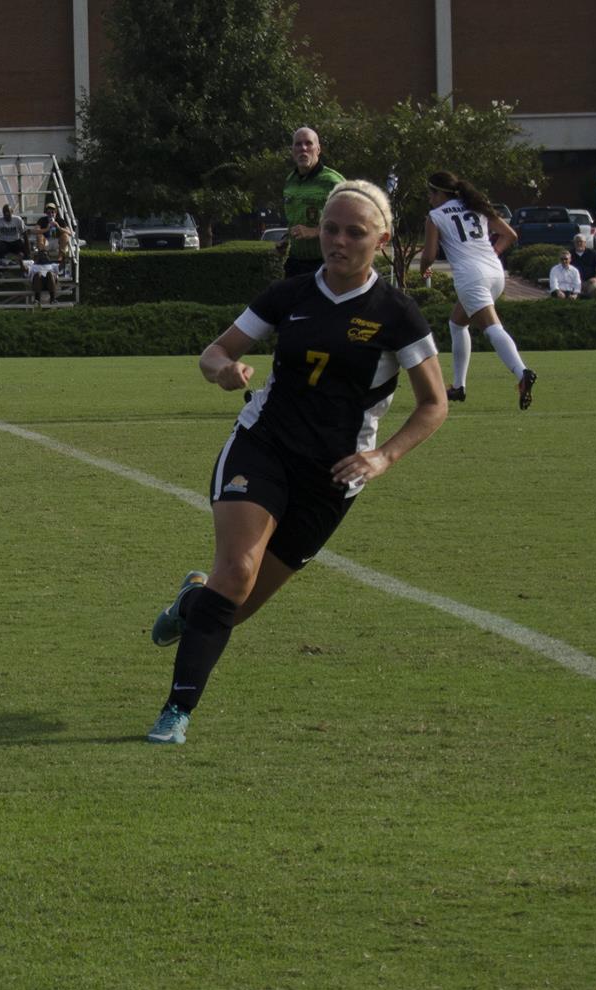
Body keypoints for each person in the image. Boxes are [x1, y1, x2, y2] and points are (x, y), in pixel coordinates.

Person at [144, 180, 445, 746]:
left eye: (354, 232)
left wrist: (382, 457)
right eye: (331, 228)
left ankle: (190, 602)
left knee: (232, 607)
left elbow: (434, 405)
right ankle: (176, 713)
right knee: (234, 574)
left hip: (332, 477)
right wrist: (223, 371)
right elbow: (215, 351)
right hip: (264, 447)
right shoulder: (291, 293)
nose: (338, 240)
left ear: (380, 240)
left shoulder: (396, 313)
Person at [418, 170, 535, 408]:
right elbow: (509, 235)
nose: (429, 198)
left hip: (471, 277)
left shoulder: (435, 215)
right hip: (495, 271)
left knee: (492, 328)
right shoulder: (476, 205)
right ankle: (459, 387)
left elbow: (429, 255)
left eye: (431, 193)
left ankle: (522, 373)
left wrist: (423, 271)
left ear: (440, 193)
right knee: (457, 323)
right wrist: (495, 252)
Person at [281, 127, 345, 278]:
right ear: (292, 150)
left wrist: (314, 231)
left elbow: (350, 220)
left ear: (318, 149)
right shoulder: (290, 181)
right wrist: (286, 239)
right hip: (295, 263)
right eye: (298, 144)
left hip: (325, 263)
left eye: (308, 143)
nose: (303, 148)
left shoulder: (333, 181)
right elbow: (293, 219)